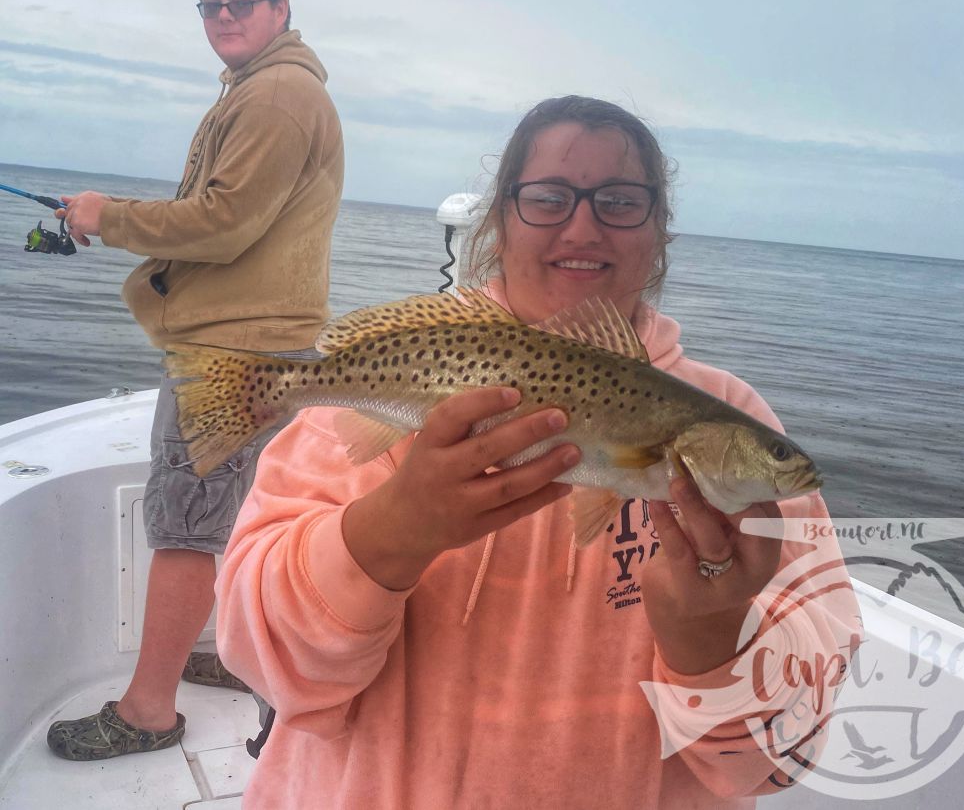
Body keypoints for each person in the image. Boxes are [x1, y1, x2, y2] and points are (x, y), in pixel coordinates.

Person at [215, 96, 859, 806]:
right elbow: (258, 660)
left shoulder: (735, 414)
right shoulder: (369, 403)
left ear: (658, 230)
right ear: (500, 219)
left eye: (619, 200)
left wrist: (710, 632)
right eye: (549, 197)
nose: (583, 224)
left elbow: (777, 760)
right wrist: (392, 530)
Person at [46, 0, 344, 761]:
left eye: (241, 2)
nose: (223, 17)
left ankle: (148, 710)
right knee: (247, 515)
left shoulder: (279, 96)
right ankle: (245, 653)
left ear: (281, 8)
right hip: (263, 345)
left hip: (232, 352)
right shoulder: (267, 88)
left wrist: (110, 216)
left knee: (185, 524)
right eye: (209, 4)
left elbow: (223, 223)